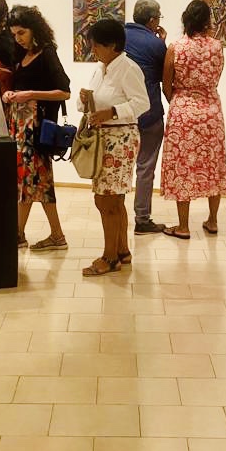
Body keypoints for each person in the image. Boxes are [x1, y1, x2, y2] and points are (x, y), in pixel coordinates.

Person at [79, 18, 150, 276]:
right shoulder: (101, 68)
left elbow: (142, 103)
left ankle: (109, 258)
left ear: (112, 45)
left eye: (96, 45)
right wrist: (84, 100)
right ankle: (122, 251)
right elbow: (94, 102)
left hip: (120, 139)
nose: (93, 50)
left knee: (107, 199)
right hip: (104, 138)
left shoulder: (128, 68)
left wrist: (112, 112)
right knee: (113, 199)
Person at [2, 5, 71, 251]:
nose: (18, 38)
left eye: (21, 32)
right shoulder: (21, 54)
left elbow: (64, 91)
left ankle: (25, 234)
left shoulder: (47, 53)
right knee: (35, 182)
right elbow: (21, 88)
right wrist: (12, 94)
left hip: (36, 129)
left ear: (34, 29)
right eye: (14, 34)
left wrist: (30, 94)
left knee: (33, 181)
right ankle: (48, 235)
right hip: (21, 128)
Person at [160, 0, 226, 238]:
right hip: (211, 112)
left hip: (183, 112)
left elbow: (166, 83)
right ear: (207, 20)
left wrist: (179, 100)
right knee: (213, 164)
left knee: (183, 166)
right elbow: (217, 76)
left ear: (185, 19)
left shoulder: (176, 47)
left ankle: (183, 226)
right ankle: (213, 220)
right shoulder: (217, 47)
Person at [124, 0, 168, 234]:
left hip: (121, 113)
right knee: (145, 167)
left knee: (119, 166)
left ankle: (116, 215)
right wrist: (161, 42)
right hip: (149, 113)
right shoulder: (155, 43)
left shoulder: (119, 36)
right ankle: (142, 219)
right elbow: (165, 75)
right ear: (152, 20)